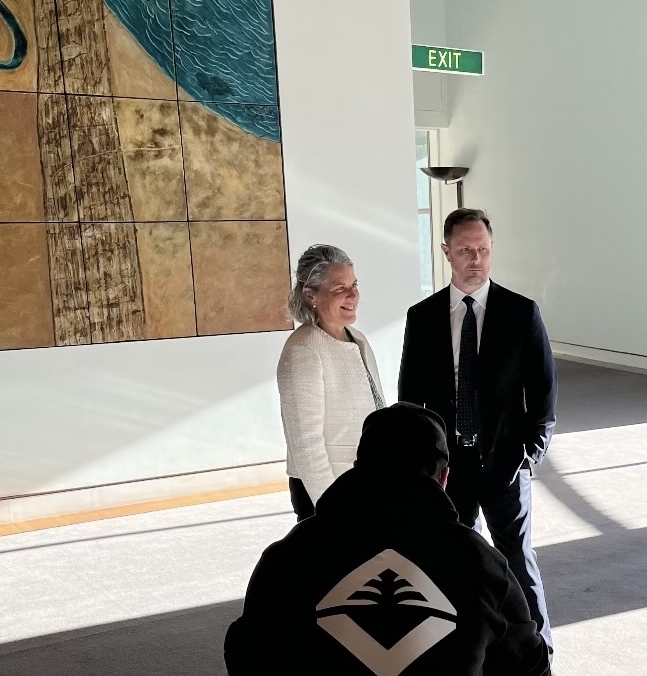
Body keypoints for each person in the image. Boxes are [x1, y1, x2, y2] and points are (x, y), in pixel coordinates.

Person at [224, 403, 552, 676]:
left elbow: (244, 656)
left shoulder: (289, 556)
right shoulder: (483, 563)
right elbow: (530, 666)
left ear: (359, 468)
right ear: (443, 478)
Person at [398, 208, 557, 651]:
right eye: (466, 250)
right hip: (447, 468)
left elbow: (544, 390)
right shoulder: (423, 316)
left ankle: (537, 650)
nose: (476, 259)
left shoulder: (521, 313)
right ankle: (457, 648)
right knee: (449, 560)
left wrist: (531, 452)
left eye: (484, 250)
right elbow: (410, 396)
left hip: (506, 463)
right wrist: (422, 463)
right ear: (446, 251)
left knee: (518, 563)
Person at [278, 245, 385, 521]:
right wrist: (332, 506)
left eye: (354, 285)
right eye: (340, 289)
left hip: (365, 484)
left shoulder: (357, 338)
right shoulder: (303, 349)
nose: (352, 296)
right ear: (310, 295)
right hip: (327, 492)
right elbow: (305, 444)